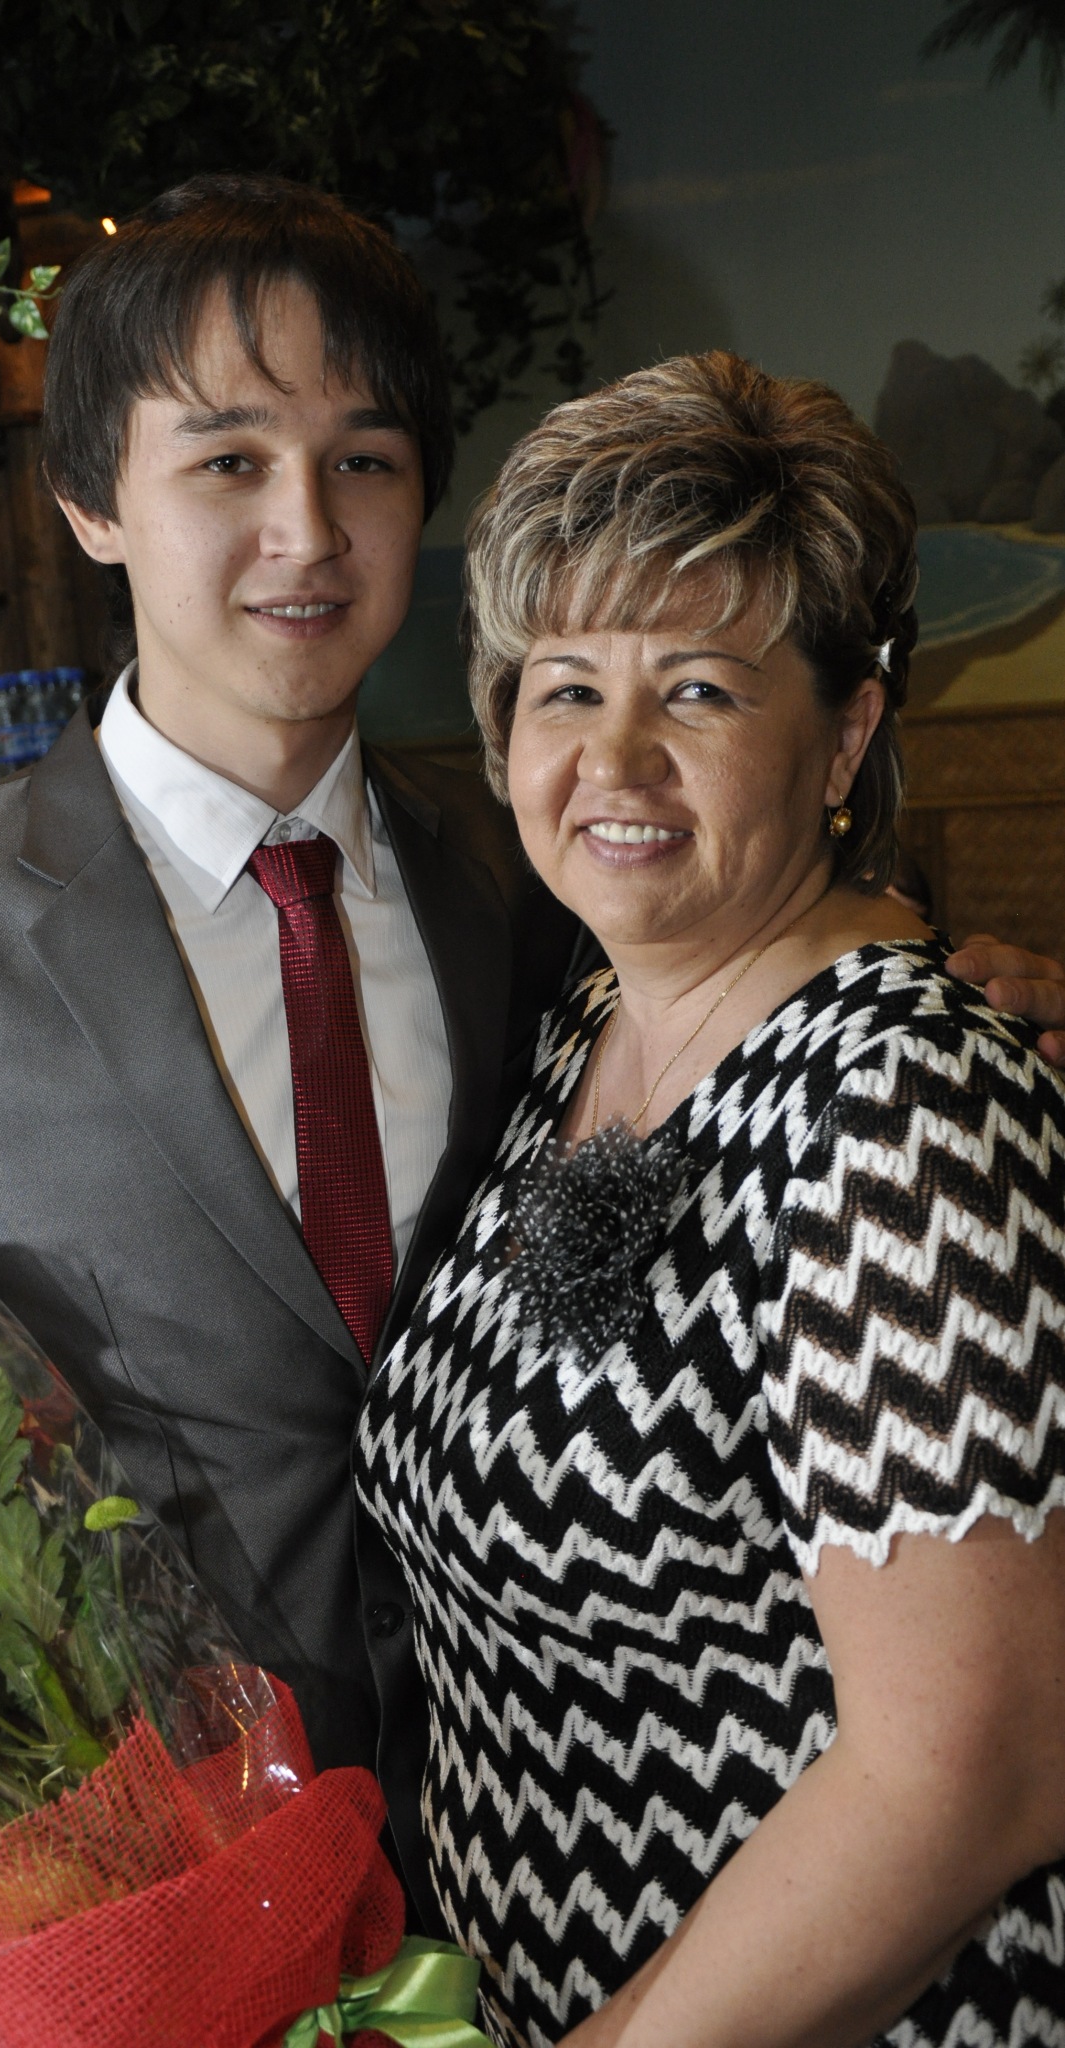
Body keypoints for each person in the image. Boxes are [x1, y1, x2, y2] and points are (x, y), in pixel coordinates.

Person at [0, 179, 1065, 1886]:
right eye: (228, 461)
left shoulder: (541, 885)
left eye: (360, 460)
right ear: (88, 501)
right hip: (151, 1889)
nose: (306, 531)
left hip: (606, 1858)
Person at [356, 351, 1065, 2048]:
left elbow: (973, 1773)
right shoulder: (589, 1023)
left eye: (695, 691)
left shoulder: (898, 1104)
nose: (613, 758)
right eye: (563, 687)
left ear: (844, 736)